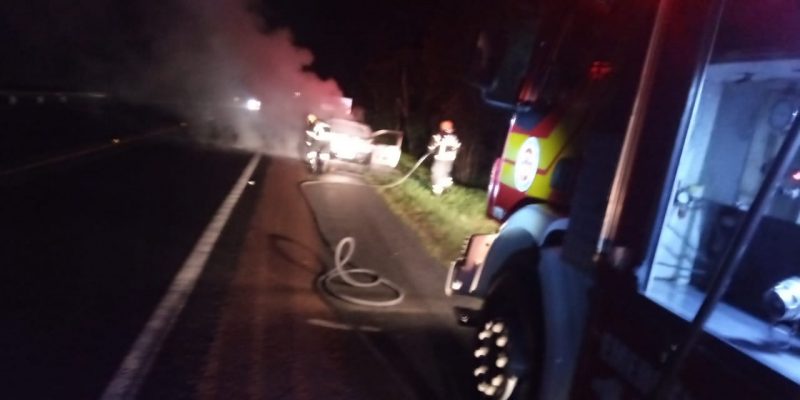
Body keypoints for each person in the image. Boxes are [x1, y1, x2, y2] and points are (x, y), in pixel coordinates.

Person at [428, 120, 461, 195]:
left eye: (449, 129)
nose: (448, 130)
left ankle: (439, 187)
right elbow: (431, 148)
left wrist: (453, 148)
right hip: (440, 158)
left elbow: (456, 147)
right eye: (446, 129)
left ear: (452, 130)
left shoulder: (453, 138)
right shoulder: (437, 137)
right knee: (438, 172)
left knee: (437, 172)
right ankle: (444, 183)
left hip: (447, 159)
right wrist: (433, 147)